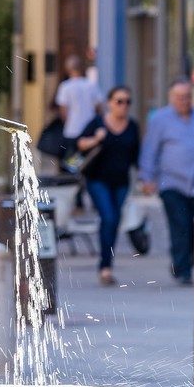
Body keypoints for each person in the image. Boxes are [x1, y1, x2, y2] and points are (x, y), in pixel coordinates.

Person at [76, 86, 141, 286]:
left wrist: (147, 178)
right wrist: (97, 138)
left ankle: (107, 264)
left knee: (113, 222)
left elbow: (136, 156)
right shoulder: (97, 123)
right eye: (119, 101)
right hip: (97, 180)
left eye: (128, 102)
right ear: (109, 103)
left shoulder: (132, 127)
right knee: (109, 217)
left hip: (121, 181)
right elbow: (79, 144)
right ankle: (104, 267)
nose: (124, 106)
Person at [139, 78, 194, 285]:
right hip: (171, 184)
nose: (185, 101)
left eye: (188, 97)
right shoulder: (160, 119)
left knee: (191, 227)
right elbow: (150, 150)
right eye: (180, 97)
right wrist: (147, 177)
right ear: (171, 98)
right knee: (180, 225)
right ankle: (183, 270)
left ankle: (183, 262)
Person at [56, 54, 103, 162]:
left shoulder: (65, 86)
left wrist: (68, 122)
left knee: (71, 164)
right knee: (87, 162)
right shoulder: (91, 85)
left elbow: (63, 111)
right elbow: (100, 109)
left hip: (72, 130)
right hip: (89, 131)